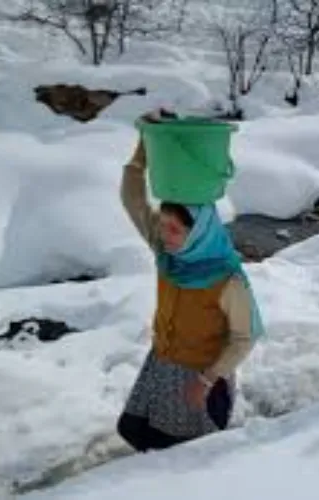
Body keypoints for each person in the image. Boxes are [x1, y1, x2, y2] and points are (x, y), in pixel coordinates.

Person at [116, 132, 264, 453]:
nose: (164, 234)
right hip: (161, 365)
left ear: (198, 232)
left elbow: (245, 337)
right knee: (134, 431)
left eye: (175, 229)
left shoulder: (227, 279)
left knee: (180, 457)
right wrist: (144, 148)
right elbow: (133, 200)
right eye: (162, 224)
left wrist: (208, 380)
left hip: (198, 379)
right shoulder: (168, 254)